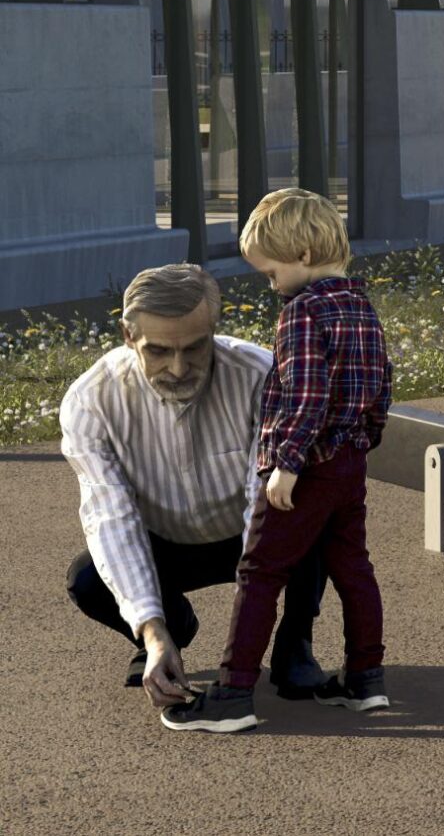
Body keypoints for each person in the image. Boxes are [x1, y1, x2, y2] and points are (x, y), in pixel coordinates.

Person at [166, 190, 390, 731]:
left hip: (305, 464)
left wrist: (287, 462)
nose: (271, 285)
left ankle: (234, 691)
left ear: (304, 257)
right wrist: (363, 437)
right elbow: (382, 385)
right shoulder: (362, 305)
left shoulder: (303, 312)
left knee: (261, 571)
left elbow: (306, 394)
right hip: (350, 462)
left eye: (270, 273)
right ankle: (365, 679)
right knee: (353, 568)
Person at [62, 265, 332, 712]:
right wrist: (153, 631)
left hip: (251, 530)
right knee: (87, 580)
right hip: (164, 542)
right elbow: (111, 518)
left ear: (215, 328)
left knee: (310, 511)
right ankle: (173, 631)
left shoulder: (262, 375)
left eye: (194, 347)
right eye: (159, 351)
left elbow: (259, 504)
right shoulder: (91, 401)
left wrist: (241, 656)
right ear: (128, 336)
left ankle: (294, 642)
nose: (178, 367)